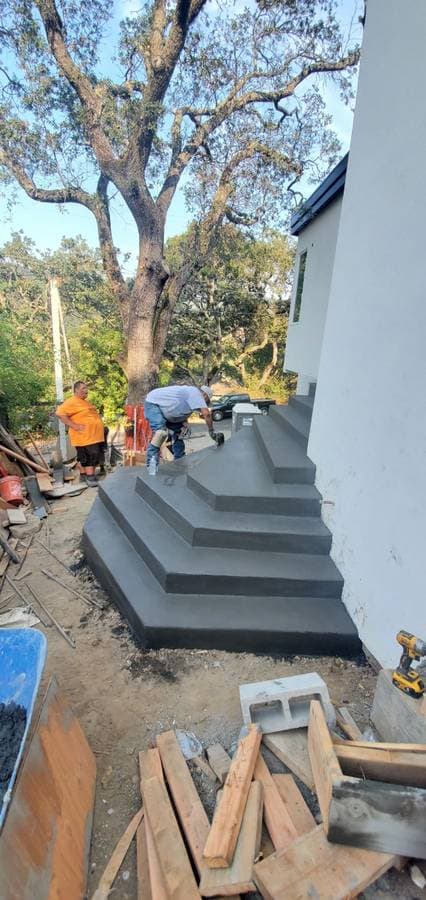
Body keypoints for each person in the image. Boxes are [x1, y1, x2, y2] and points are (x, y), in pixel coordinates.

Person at [144, 384, 214, 469]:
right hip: (153, 403)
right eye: (206, 402)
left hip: (166, 410)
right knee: (160, 434)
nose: (204, 404)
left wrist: (184, 421)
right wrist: (211, 431)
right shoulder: (197, 394)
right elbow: (207, 415)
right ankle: (151, 467)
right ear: (205, 395)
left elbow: (179, 407)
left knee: (179, 433)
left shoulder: (191, 395)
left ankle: (179, 463)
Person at [56, 381, 105, 487]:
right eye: (83, 388)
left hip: (92, 436)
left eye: (86, 388)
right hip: (84, 437)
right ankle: (90, 477)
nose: (86, 390)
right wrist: (74, 426)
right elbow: (59, 413)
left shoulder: (84, 402)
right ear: (76, 390)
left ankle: (83, 475)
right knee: (90, 456)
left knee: (86, 456)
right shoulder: (72, 401)